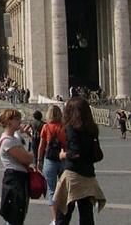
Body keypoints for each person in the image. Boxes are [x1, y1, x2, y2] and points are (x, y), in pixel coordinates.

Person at [55, 96, 106, 224]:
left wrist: (63, 155)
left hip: (73, 174)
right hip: (88, 174)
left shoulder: (71, 128)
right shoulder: (92, 128)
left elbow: (75, 152)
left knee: (64, 212)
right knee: (86, 215)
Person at [0, 108, 34, 225]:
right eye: (17, 119)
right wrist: (32, 154)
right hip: (14, 180)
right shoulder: (8, 141)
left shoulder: (14, 138)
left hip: (19, 178)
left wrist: (29, 136)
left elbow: (26, 156)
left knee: (18, 214)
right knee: (15, 215)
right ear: (9, 121)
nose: (20, 121)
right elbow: (26, 159)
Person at [38, 104, 67, 225]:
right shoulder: (64, 127)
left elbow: (42, 146)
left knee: (51, 190)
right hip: (63, 159)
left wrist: (39, 161)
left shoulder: (46, 127)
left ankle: (55, 219)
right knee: (64, 190)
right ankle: (63, 217)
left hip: (49, 160)